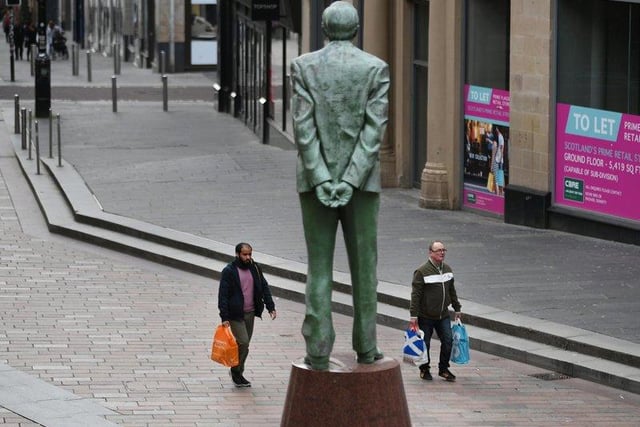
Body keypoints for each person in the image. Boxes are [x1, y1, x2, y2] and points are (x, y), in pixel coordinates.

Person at [291, 1, 389, 371]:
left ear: (324, 28)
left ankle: (317, 349)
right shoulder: (375, 69)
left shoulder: (303, 66)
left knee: (319, 268)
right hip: (362, 185)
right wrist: (349, 180)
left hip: (313, 182)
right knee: (365, 267)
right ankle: (367, 346)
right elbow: (373, 129)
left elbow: (303, 128)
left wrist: (320, 178)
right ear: (357, 29)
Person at [217, 242, 277, 387]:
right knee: (243, 341)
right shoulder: (229, 271)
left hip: (250, 312)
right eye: (245, 254)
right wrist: (224, 317)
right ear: (237, 254)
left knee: (244, 345)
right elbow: (223, 295)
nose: (248, 257)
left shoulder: (255, 268)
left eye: (250, 254)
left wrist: (271, 307)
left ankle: (238, 371)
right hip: (235, 314)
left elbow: (264, 287)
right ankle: (236, 372)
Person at [409, 241, 462, 382]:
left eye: (443, 250)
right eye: (438, 250)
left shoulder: (448, 269)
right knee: (425, 343)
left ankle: (443, 369)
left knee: (448, 340)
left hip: (443, 314)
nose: (442, 252)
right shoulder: (421, 271)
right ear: (430, 252)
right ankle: (424, 369)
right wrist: (413, 316)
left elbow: (452, 290)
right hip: (426, 315)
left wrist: (457, 307)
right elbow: (416, 295)